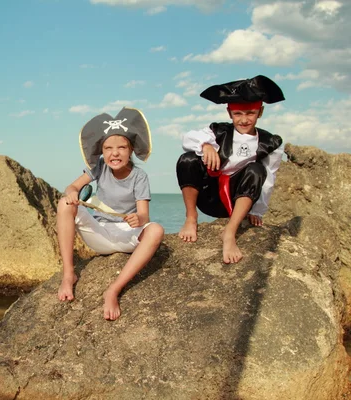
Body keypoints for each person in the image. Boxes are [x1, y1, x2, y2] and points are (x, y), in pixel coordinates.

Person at [56, 107, 164, 321]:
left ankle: (113, 290)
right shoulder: (99, 167)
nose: (115, 153)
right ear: (102, 152)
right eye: (108, 148)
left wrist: (139, 219)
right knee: (63, 204)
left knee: (156, 230)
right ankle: (68, 274)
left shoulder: (139, 177)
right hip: (101, 234)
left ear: (131, 150)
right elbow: (72, 187)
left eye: (122, 147)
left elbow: (144, 215)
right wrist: (72, 195)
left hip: (128, 236)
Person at [176, 75, 285, 264]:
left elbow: (268, 179)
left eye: (250, 113)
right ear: (229, 113)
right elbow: (187, 138)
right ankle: (191, 217)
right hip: (209, 196)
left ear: (260, 112)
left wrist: (258, 211)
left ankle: (230, 232)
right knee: (188, 159)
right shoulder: (218, 131)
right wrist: (206, 145)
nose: (244, 120)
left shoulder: (271, 142)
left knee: (257, 169)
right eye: (238, 114)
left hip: (237, 201)